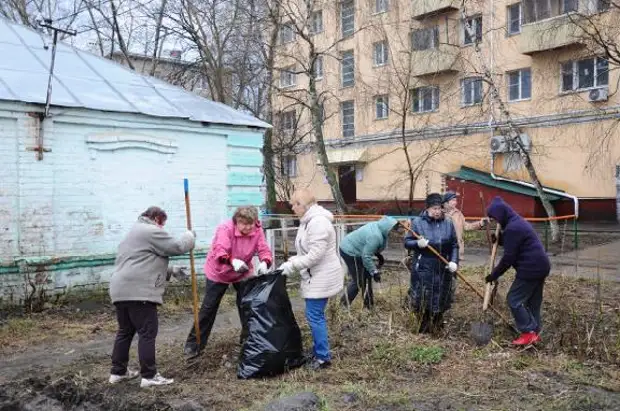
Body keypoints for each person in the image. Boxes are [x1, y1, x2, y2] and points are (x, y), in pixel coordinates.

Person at [109, 206, 196, 388]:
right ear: (156, 218)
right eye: (163, 224)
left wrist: (170, 271)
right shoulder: (150, 230)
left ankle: (118, 372)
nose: (162, 229)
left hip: (120, 290)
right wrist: (190, 236)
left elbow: (141, 262)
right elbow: (177, 247)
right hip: (138, 291)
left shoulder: (132, 233)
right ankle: (149, 376)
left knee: (125, 331)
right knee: (147, 332)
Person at [184, 206, 272, 357]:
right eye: (244, 224)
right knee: (208, 308)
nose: (248, 227)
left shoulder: (257, 229)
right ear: (236, 221)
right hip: (219, 271)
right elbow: (220, 251)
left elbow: (264, 249)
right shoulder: (225, 228)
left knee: (248, 305)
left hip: (242, 271)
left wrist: (265, 262)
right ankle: (194, 346)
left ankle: (248, 342)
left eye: (251, 224)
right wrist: (232, 261)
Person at [278, 189, 344, 370]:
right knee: (314, 315)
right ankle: (318, 350)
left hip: (323, 276)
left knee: (314, 315)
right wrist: (291, 261)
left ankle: (323, 358)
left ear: (303, 205)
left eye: (294, 204)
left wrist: (292, 266)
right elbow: (304, 251)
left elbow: (315, 255)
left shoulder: (318, 223)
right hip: (314, 275)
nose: (292, 208)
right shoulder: (307, 221)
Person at [485, 196, 550, 346]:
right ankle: (535, 334)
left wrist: (493, 275)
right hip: (541, 266)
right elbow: (514, 242)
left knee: (514, 299)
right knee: (533, 302)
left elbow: (509, 258)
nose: (496, 222)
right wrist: (500, 239)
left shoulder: (513, 227)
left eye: (496, 218)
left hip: (530, 269)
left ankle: (528, 332)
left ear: (501, 215)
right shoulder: (516, 222)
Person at [404, 193, 459, 333]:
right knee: (424, 295)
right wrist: (418, 243)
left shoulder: (448, 223)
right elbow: (407, 242)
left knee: (441, 294)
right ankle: (423, 326)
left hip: (443, 266)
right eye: (433, 208)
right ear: (427, 208)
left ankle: (437, 323)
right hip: (424, 267)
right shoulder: (418, 222)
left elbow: (454, 244)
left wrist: (453, 261)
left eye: (439, 208)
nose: (437, 211)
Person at [339, 216, 398, 309]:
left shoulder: (378, 227)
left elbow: (367, 244)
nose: (393, 232)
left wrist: (377, 254)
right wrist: (374, 271)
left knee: (367, 277)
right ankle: (342, 305)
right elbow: (366, 256)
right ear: (386, 227)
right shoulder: (375, 235)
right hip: (349, 251)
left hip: (357, 250)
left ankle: (369, 305)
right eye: (392, 229)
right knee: (359, 281)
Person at [442, 191, 487, 260]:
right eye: (453, 200)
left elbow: (466, 226)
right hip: (443, 251)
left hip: (457, 250)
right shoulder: (439, 214)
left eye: (456, 200)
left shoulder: (458, 214)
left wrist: (480, 224)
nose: (455, 202)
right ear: (446, 202)